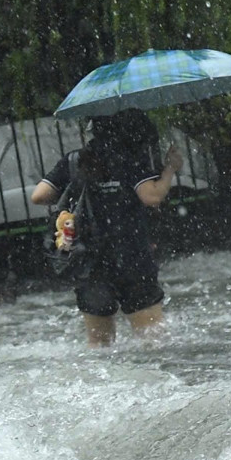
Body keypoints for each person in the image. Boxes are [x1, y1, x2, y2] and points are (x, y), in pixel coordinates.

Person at [30, 110, 182, 345]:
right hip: (132, 257)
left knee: (100, 346)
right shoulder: (131, 159)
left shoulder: (74, 161)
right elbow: (151, 196)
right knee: (154, 341)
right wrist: (170, 169)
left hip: (89, 262)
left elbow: (39, 196)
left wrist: (82, 192)